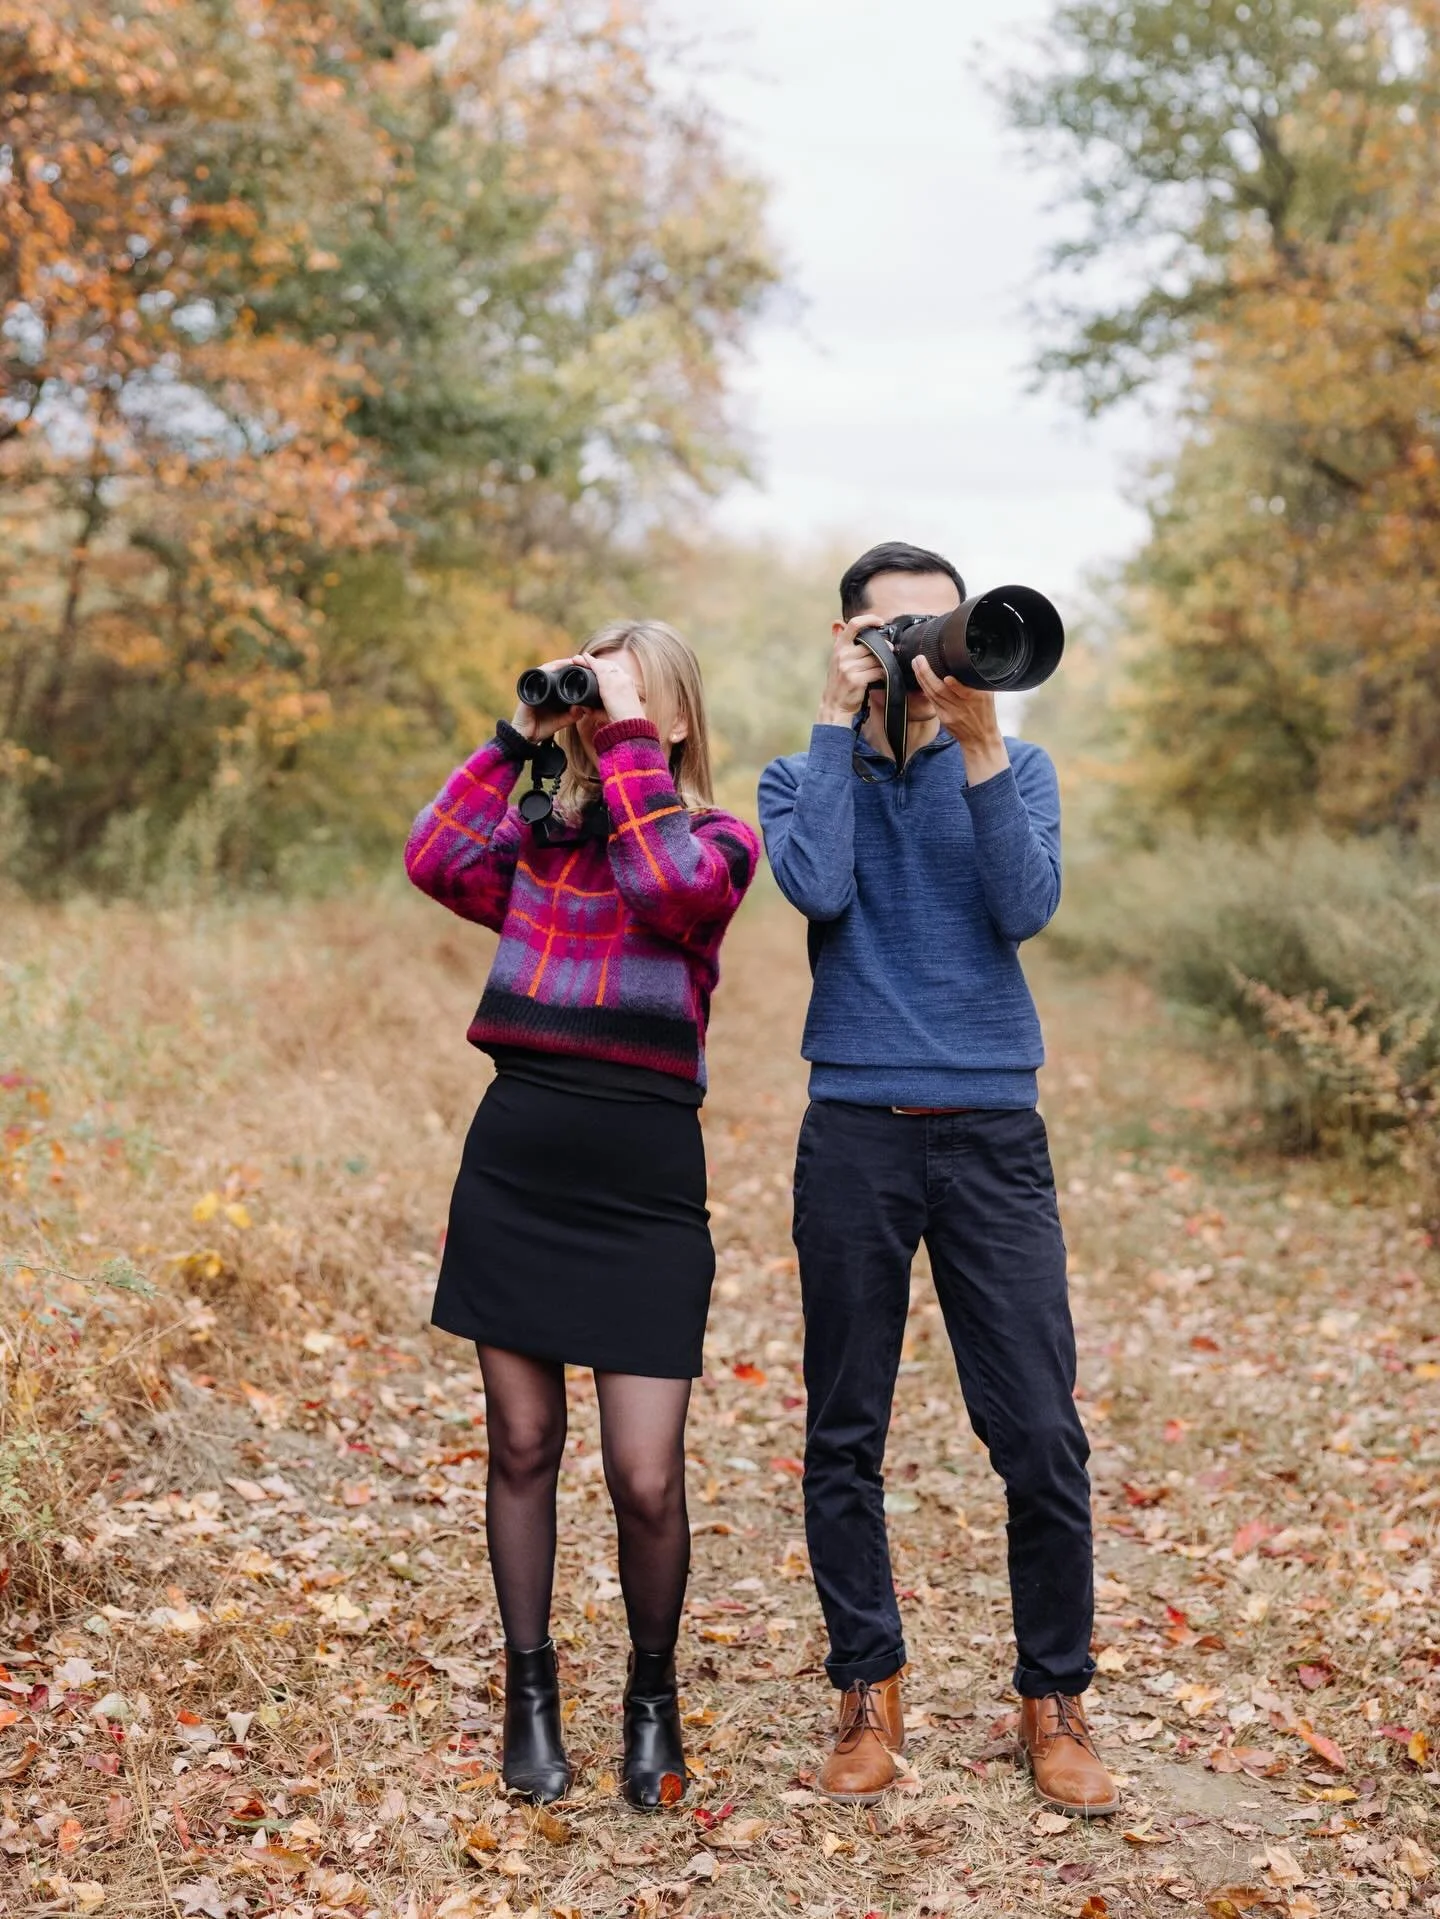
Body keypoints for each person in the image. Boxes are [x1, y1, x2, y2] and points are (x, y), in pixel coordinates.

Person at [756, 542, 1118, 1816]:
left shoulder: (1016, 767)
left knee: (1038, 1427)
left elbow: (1025, 908)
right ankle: (869, 1684)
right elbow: (817, 885)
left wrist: (975, 750)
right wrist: (833, 721)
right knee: (843, 1430)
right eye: (892, 631)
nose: (922, 650)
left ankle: (1053, 1696)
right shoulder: (803, 770)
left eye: (938, 627)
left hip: (990, 1131)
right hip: (853, 1123)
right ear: (850, 638)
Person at [405, 621, 759, 1809]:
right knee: (520, 1445)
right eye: (593, 688)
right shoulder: (539, 846)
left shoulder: (714, 841)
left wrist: (621, 747)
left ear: (671, 718)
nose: (601, 711)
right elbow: (432, 858)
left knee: (645, 1473)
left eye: (624, 694)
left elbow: (667, 892)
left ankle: (650, 1702)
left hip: (645, 1182)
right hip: (517, 1162)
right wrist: (518, 737)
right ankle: (531, 1695)